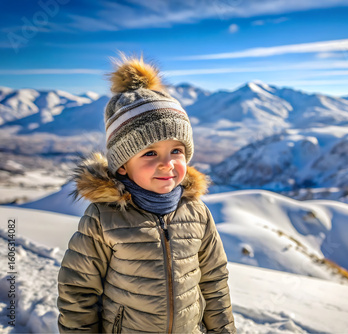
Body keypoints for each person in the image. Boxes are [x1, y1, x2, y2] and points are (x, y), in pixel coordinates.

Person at [57, 54, 236, 333]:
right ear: (123, 166)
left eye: (176, 150)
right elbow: (78, 291)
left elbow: (214, 281)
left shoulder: (197, 213)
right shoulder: (104, 219)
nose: (167, 163)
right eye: (150, 153)